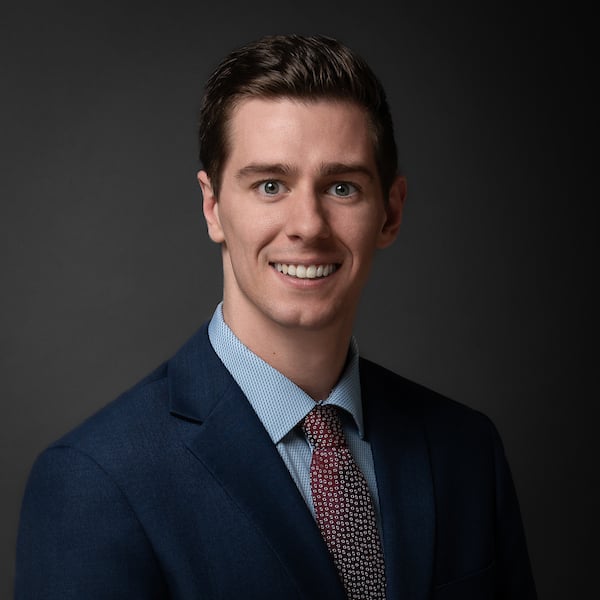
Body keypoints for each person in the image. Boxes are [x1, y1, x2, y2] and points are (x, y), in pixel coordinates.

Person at [15, 34, 536, 599]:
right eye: (270, 186)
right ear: (213, 206)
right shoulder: (94, 482)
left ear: (390, 212)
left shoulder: (466, 450)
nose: (308, 225)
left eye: (342, 187)